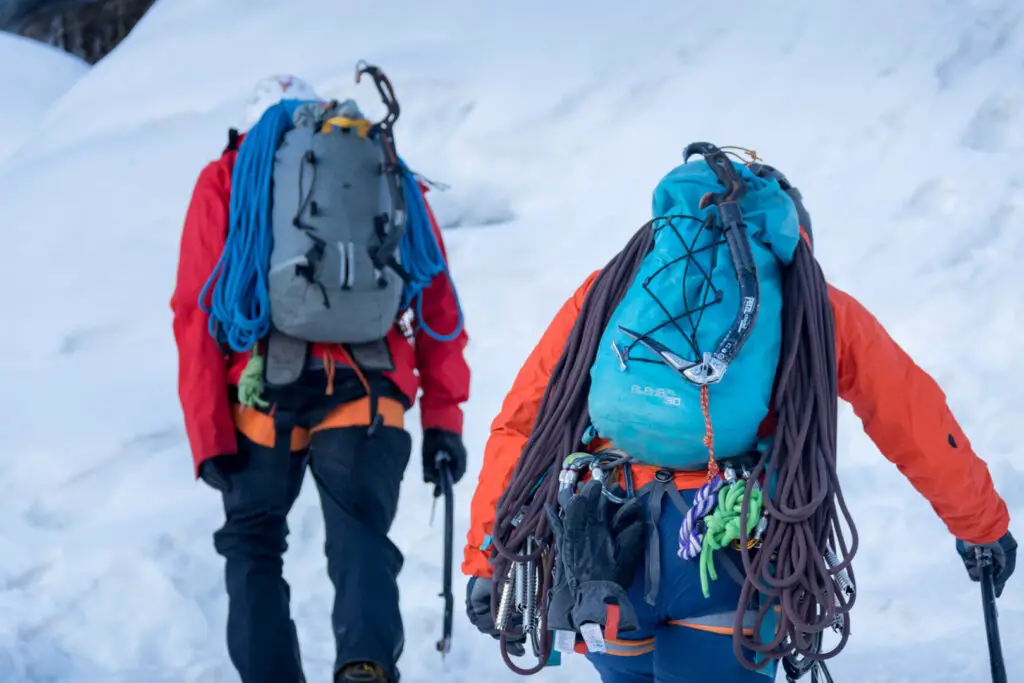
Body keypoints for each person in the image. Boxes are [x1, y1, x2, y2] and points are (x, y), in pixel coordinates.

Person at [462, 145, 1015, 682]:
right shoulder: (816, 309)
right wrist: (980, 526)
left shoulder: (615, 289)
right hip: (727, 544)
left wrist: (487, 556)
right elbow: (913, 418)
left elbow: (524, 420)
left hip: (605, 543)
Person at [171, 73, 470, 683]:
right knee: (359, 537)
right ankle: (365, 668)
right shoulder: (382, 171)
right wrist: (443, 420)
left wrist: (207, 433)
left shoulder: (230, 175)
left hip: (262, 396)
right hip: (369, 389)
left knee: (253, 545)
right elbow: (438, 303)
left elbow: (196, 308)